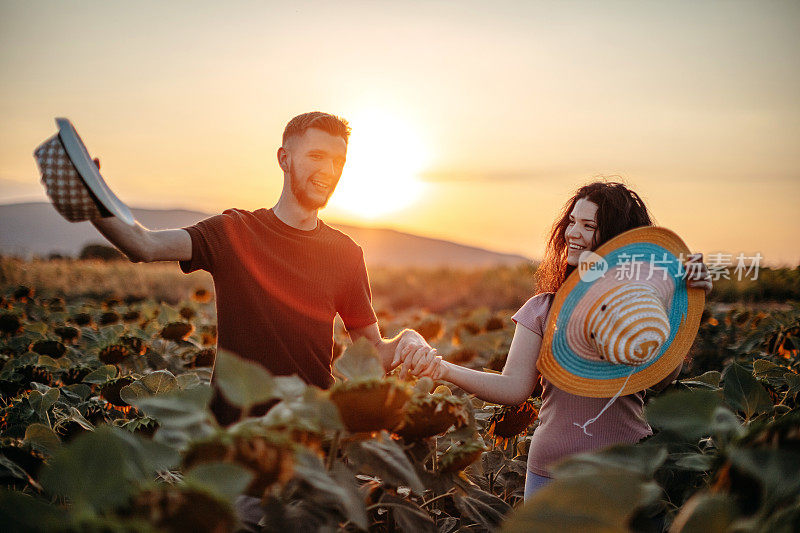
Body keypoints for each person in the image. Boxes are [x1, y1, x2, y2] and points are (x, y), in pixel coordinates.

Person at [89, 111, 436, 424]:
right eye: (317, 156)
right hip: (235, 437)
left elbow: (372, 351)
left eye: (339, 161)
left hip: (309, 435)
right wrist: (88, 200)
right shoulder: (235, 232)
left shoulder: (345, 253)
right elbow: (144, 245)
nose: (330, 172)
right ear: (284, 159)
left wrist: (409, 339)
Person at [406, 181, 713, 499]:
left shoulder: (640, 315)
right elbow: (513, 388)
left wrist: (683, 308)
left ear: (619, 242)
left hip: (625, 470)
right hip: (550, 473)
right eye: (572, 222)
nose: (573, 233)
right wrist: (442, 369)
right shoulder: (543, 309)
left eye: (589, 225)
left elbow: (661, 382)